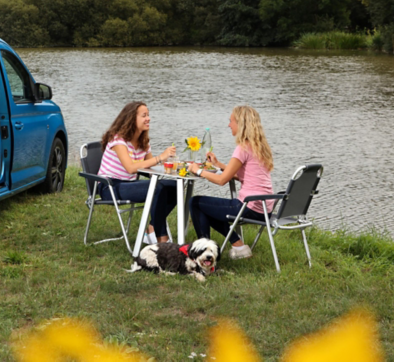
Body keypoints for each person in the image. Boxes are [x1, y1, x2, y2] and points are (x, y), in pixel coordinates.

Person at [187, 105, 275, 259]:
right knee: (210, 207)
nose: (229, 125)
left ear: (240, 124)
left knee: (196, 203)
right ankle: (238, 246)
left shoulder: (243, 147)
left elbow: (222, 180)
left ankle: (204, 252)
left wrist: (197, 170)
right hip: (264, 210)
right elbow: (245, 176)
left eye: (231, 121)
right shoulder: (259, 147)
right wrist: (219, 164)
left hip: (248, 206)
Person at [98, 101, 177, 244]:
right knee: (157, 188)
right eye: (144, 115)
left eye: (148, 115)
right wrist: (160, 157)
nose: (148, 118)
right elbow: (130, 168)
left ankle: (152, 229)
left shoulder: (143, 142)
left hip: (129, 183)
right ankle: (162, 239)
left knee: (174, 186)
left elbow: (151, 170)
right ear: (131, 119)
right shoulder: (118, 140)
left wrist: (172, 169)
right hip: (109, 186)